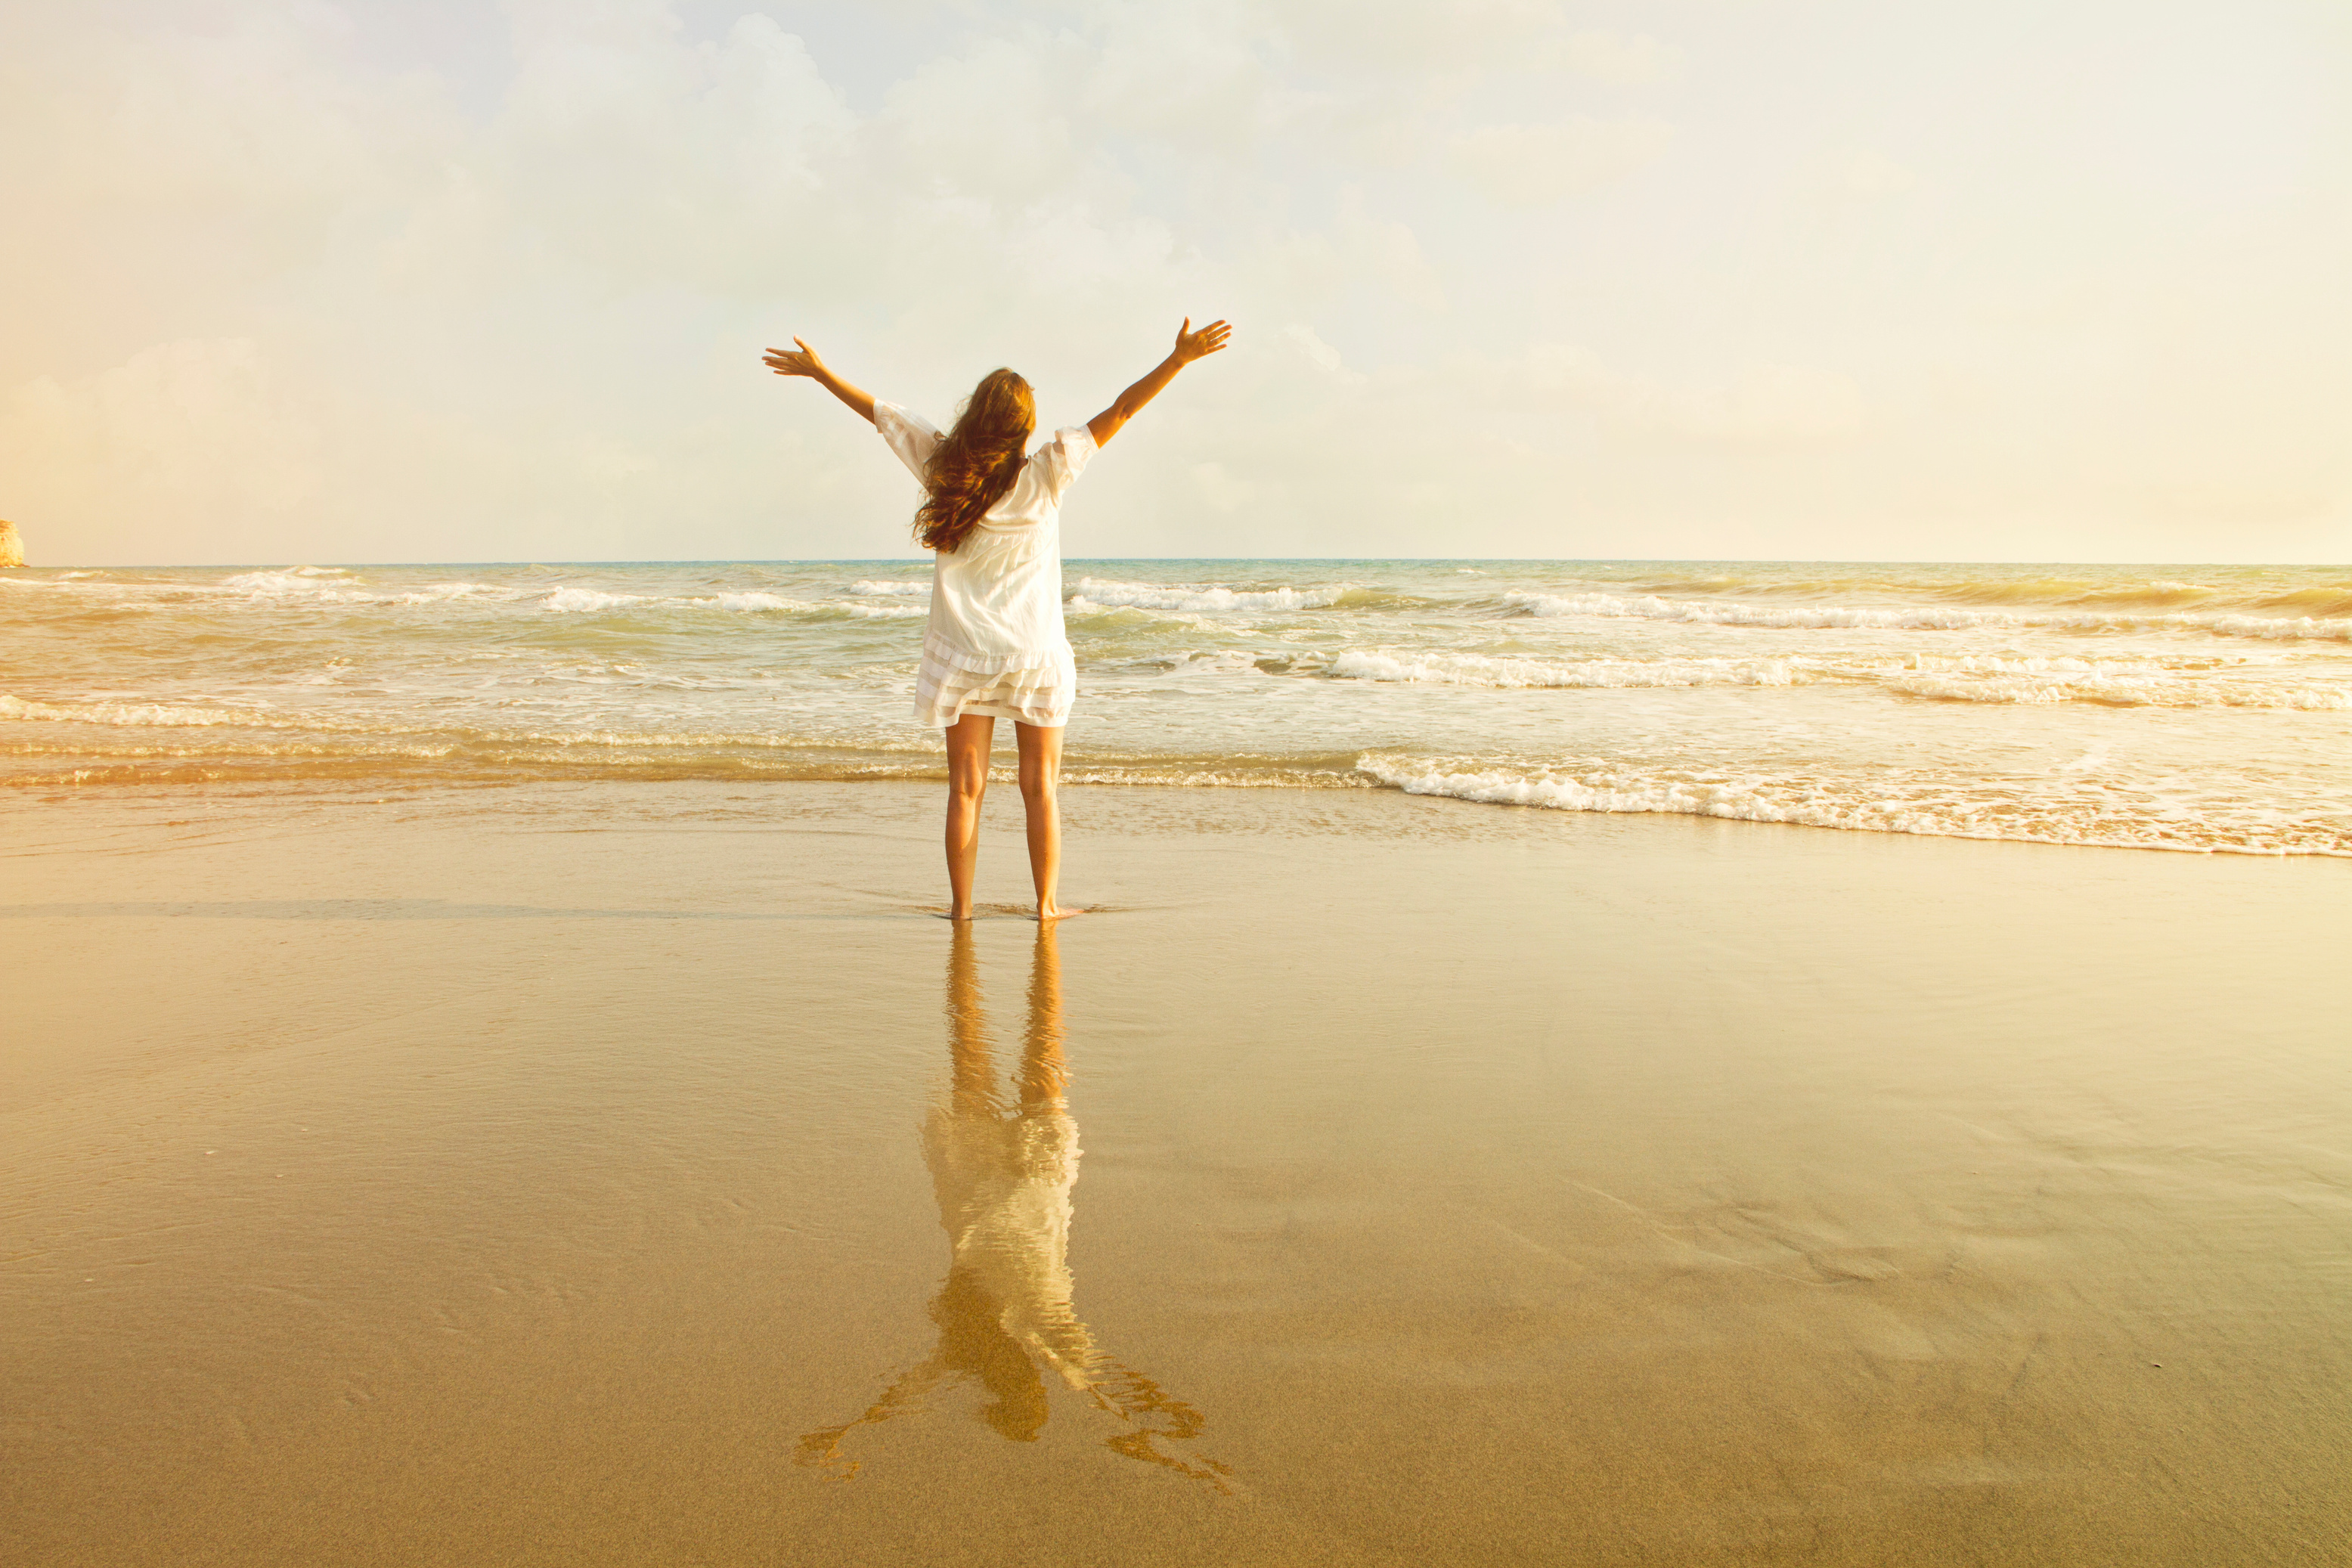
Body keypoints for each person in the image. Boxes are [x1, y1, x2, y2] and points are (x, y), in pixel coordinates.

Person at [763, 318, 1232, 920]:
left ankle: (961, 909)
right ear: (1025, 426)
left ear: (974, 417)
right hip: (1033, 655)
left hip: (962, 654)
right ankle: (1045, 907)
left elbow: (882, 415)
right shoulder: (1047, 472)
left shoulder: (942, 468)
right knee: (1040, 790)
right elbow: (1121, 410)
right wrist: (1178, 361)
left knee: (965, 790)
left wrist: (821, 373)